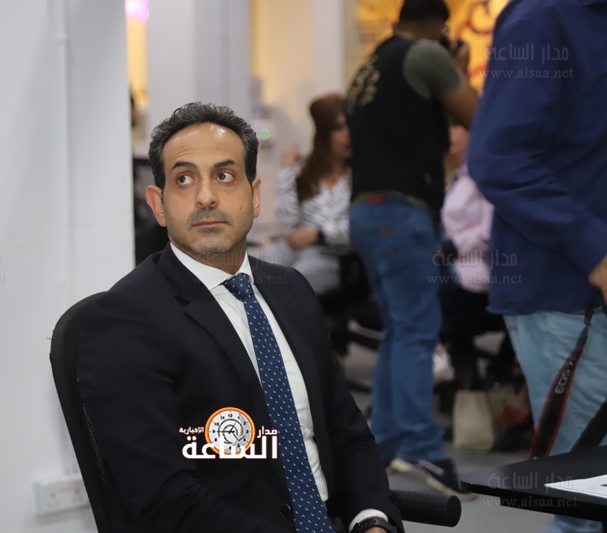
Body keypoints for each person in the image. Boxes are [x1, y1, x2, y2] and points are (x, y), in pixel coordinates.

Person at [78, 102, 402, 533]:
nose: (206, 197)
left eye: (225, 176)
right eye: (184, 179)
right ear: (159, 205)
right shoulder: (126, 321)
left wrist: (372, 519)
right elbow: (166, 502)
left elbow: (347, 434)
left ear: (255, 195)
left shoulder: (293, 291)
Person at [467, 0, 607, 531]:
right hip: (568, 295)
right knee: (585, 503)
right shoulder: (544, 18)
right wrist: (594, 250)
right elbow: (498, 157)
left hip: (578, 289)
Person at [344, 0, 478, 497]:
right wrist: (457, 69)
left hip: (367, 210)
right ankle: (422, 447)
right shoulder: (426, 55)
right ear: (440, 27)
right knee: (418, 331)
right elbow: (477, 116)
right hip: (400, 212)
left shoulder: (371, 64)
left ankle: (385, 443)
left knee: (400, 329)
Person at [260, 93, 352, 296]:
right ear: (324, 132)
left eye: (351, 126)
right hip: (295, 248)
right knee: (256, 270)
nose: (348, 134)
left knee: (292, 281)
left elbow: (361, 227)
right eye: (339, 128)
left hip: (332, 256)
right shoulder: (306, 172)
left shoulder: (360, 177)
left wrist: (318, 234)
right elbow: (287, 225)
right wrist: (286, 172)